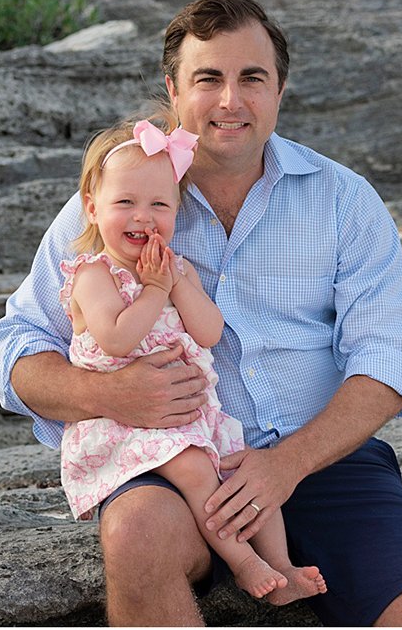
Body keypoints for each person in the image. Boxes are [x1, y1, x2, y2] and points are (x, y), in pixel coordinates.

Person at [0, 0, 402, 626]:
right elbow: (15, 349)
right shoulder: (119, 200)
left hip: (321, 459)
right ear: (174, 88)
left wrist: (286, 464)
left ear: (280, 90)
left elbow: (383, 365)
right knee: (137, 535)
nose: (229, 101)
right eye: (207, 78)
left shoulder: (345, 202)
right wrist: (110, 393)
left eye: (252, 79)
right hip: (170, 459)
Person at [55, 116, 325, 605]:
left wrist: (176, 283)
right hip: (130, 427)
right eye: (125, 203)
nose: (143, 216)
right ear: (92, 209)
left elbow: (211, 331)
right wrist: (156, 290)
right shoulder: (94, 275)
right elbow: (118, 338)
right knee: (200, 471)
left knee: (247, 475)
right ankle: (246, 564)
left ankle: (281, 565)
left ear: (177, 211)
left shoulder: (175, 269)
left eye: (160, 204)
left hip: (193, 420)